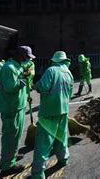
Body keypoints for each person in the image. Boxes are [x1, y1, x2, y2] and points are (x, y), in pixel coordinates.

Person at [0, 46, 35, 176]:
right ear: (20, 56)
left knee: (16, 134)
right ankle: (7, 166)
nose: (28, 60)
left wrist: (27, 93)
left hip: (18, 105)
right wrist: (23, 78)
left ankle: (12, 156)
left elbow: (22, 82)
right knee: (10, 136)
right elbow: (11, 87)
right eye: (27, 57)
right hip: (11, 108)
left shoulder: (17, 66)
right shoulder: (9, 68)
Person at [31, 51, 74, 179]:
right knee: (61, 137)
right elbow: (70, 92)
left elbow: (42, 87)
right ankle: (64, 159)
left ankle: (38, 173)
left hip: (49, 111)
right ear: (65, 60)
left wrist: (34, 85)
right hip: (63, 110)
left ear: (54, 60)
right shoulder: (68, 73)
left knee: (44, 143)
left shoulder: (51, 71)